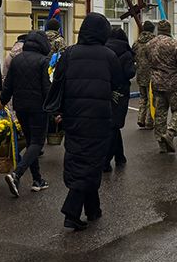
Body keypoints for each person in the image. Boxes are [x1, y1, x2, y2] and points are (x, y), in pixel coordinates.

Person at [47, 13, 122, 230]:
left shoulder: (69, 54)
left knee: (81, 159)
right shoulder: (109, 56)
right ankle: (71, 212)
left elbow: (58, 82)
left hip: (73, 117)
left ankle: (92, 209)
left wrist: (59, 111)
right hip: (99, 119)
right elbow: (118, 83)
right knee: (92, 163)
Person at [2, 31, 52, 195]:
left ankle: (37, 180)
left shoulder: (17, 60)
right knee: (37, 143)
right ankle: (16, 174)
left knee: (32, 143)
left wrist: (2, 102)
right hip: (38, 107)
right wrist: (55, 109)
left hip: (20, 106)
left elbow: (8, 85)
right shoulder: (44, 61)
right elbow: (47, 88)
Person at [146, 20, 177, 153]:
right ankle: (170, 133)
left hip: (156, 84)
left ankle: (161, 143)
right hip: (173, 85)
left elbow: (148, 61)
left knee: (160, 114)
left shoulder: (150, 45)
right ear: (169, 29)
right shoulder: (175, 45)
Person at [103, 27, 136, 170]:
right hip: (121, 91)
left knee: (113, 125)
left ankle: (120, 156)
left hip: (106, 89)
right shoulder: (126, 53)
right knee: (114, 125)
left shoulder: (104, 49)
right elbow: (129, 73)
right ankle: (106, 160)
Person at [132, 21, 156, 129]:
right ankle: (149, 121)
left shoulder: (137, 43)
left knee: (143, 97)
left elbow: (133, 57)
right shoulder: (154, 42)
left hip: (140, 73)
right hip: (152, 74)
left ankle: (140, 118)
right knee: (151, 98)